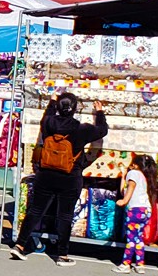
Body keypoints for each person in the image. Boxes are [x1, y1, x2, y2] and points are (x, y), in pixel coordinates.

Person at [14, 93, 109, 265]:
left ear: (58, 108)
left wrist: (52, 101)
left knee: (36, 211)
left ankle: (20, 245)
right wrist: (100, 113)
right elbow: (102, 131)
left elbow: (46, 117)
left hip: (46, 174)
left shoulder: (49, 124)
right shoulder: (82, 129)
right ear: (75, 109)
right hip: (70, 177)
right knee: (64, 216)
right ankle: (62, 255)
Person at [114, 154, 158, 274]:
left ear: (134, 164)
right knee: (138, 239)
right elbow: (124, 190)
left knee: (131, 239)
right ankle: (140, 264)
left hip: (135, 210)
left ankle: (125, 264)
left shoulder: (133, 173)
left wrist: (124, 201)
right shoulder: (143, 176)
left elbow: (130, 188)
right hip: (145, 210)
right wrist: (123, 177)